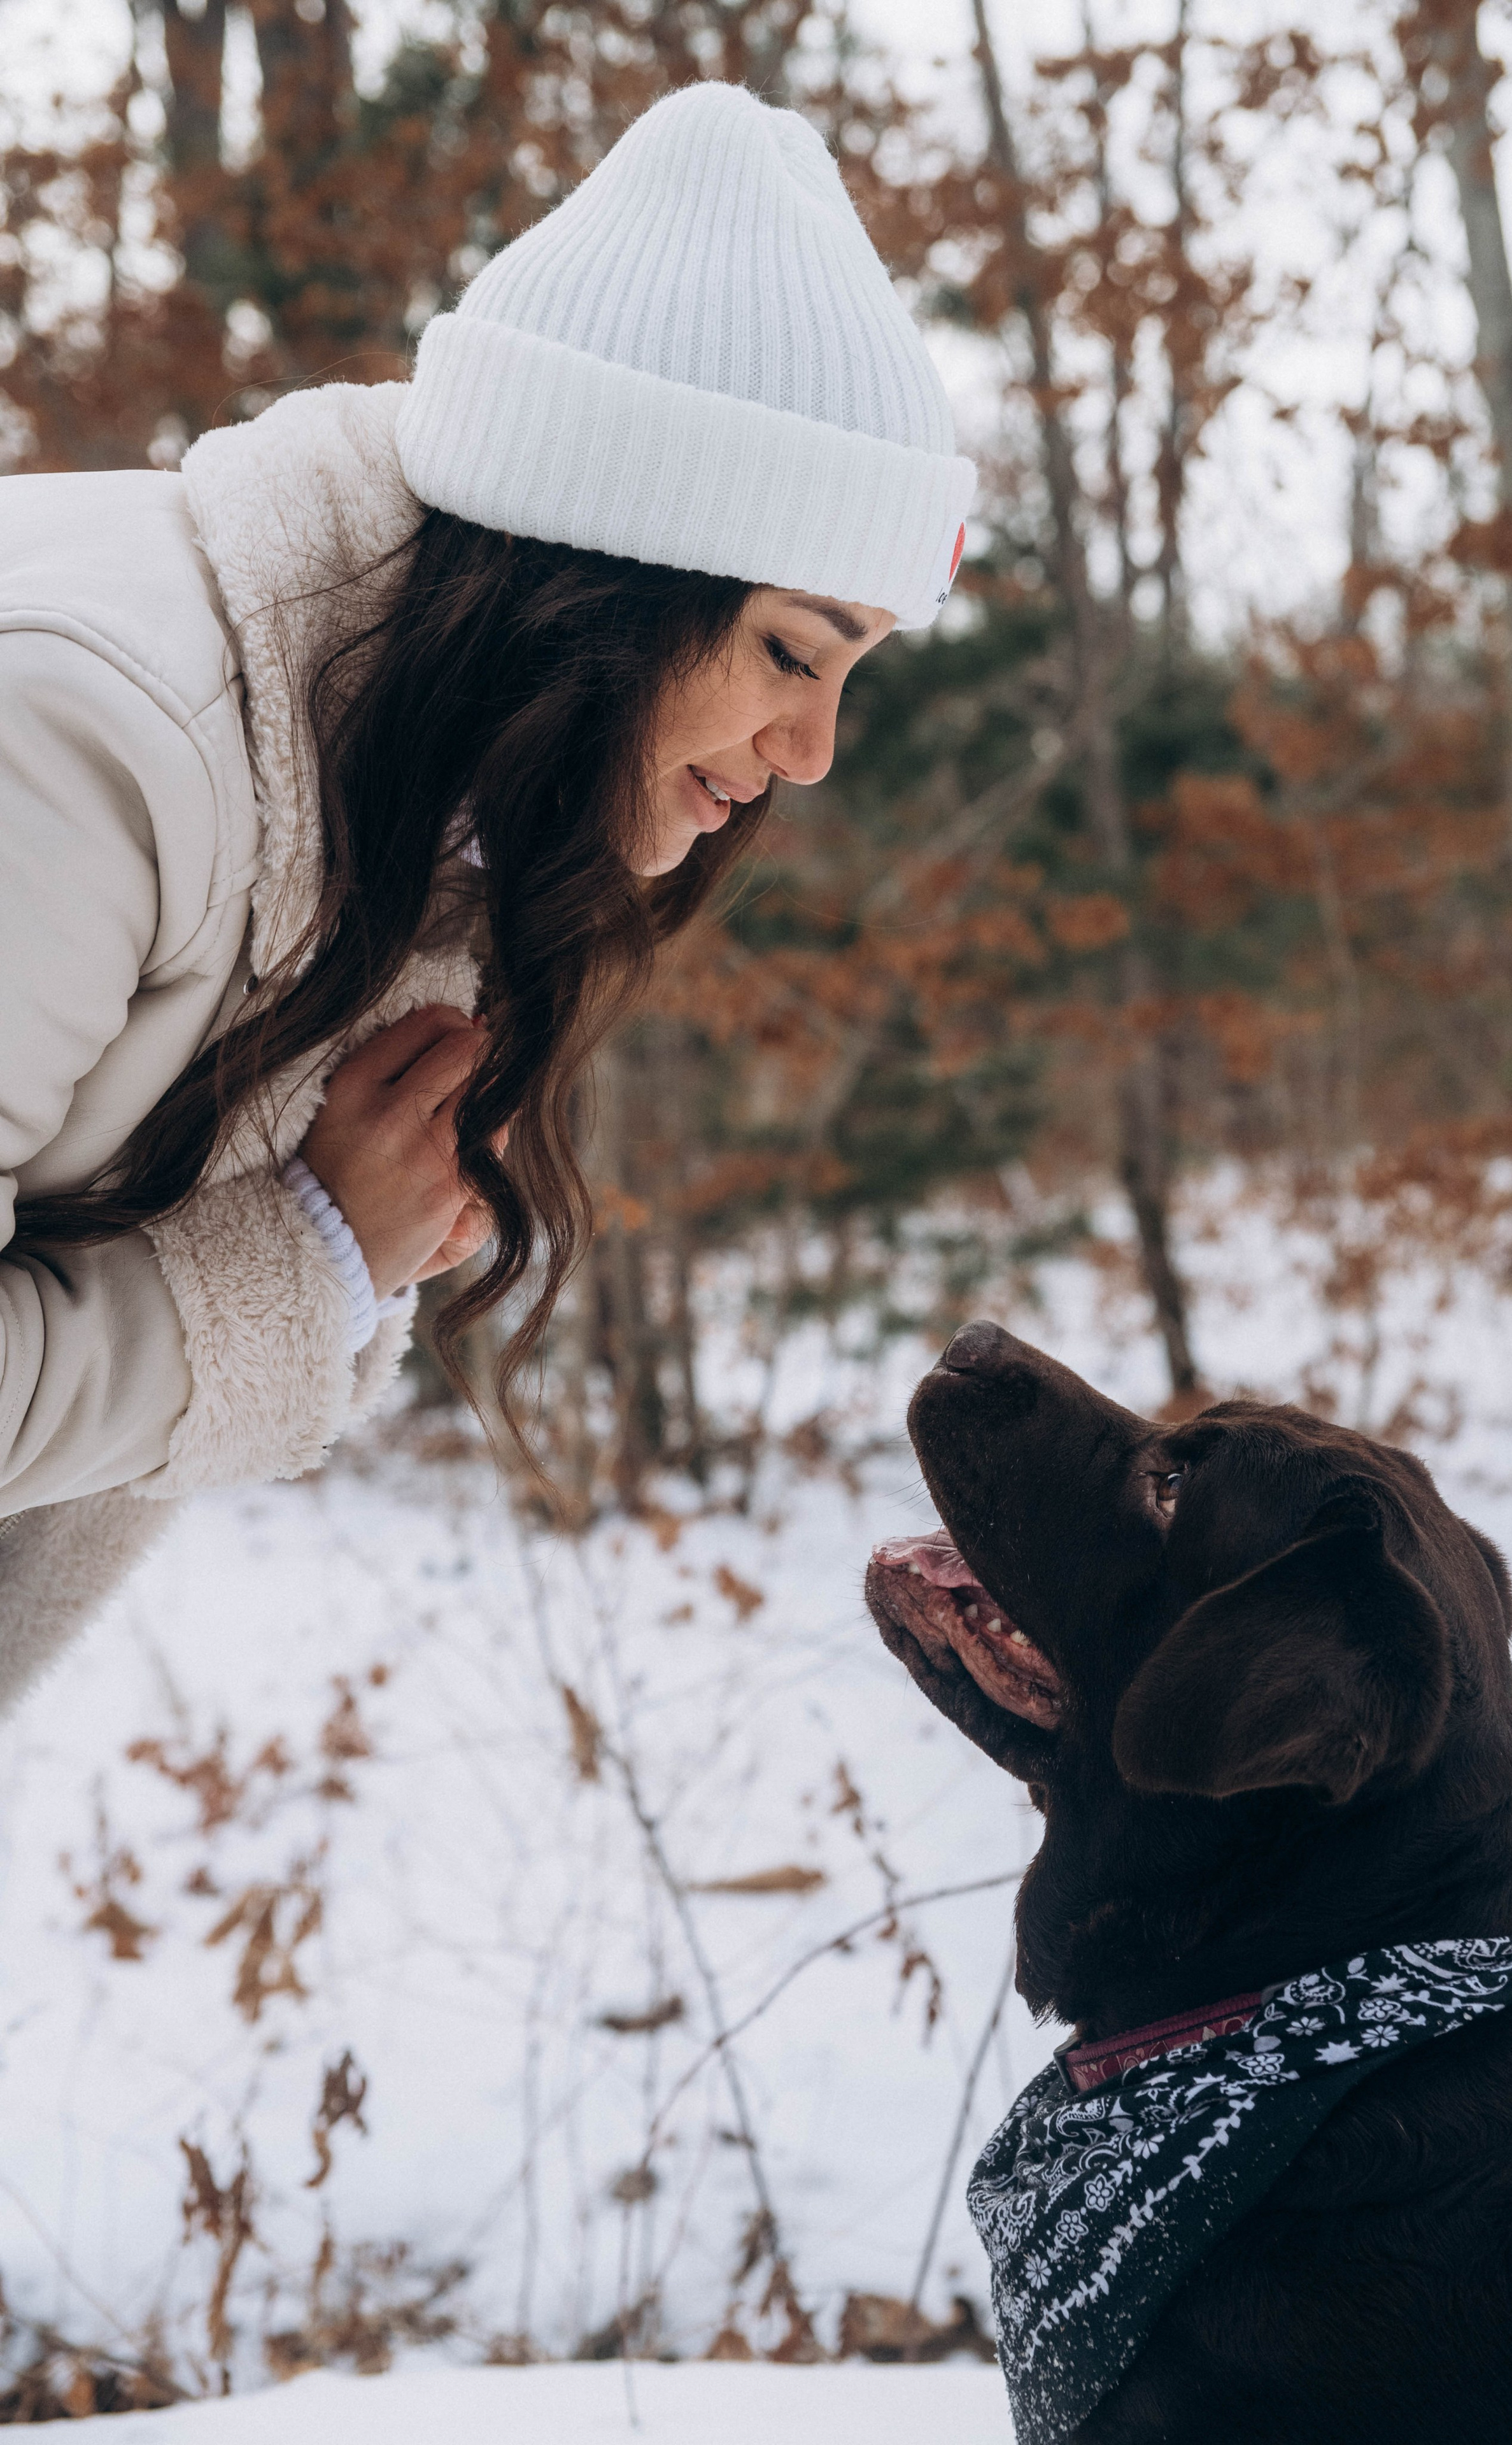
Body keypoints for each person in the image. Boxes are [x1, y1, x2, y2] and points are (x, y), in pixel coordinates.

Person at [0, 80, 974, 1708]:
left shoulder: (401, 821)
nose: (810, 753)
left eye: (849, 672)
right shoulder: (91, 741)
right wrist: (305, 1257)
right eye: (790, 652)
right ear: (610, 575)